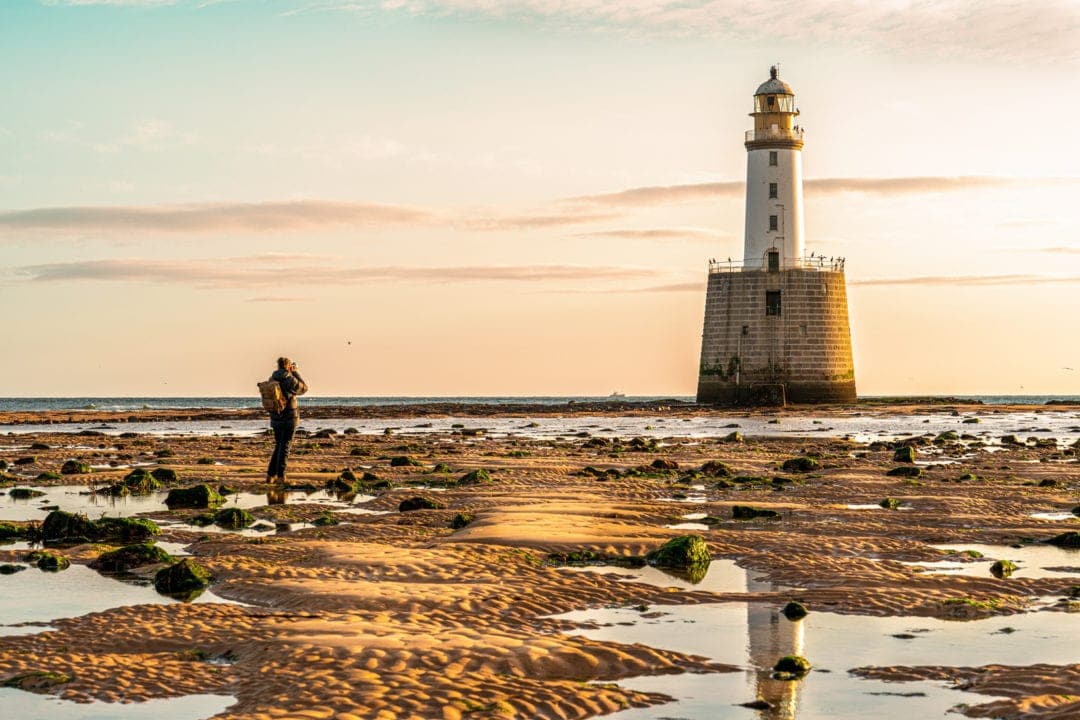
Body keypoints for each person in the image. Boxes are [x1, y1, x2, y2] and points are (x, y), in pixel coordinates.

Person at [266, 357, 308, 483]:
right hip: (289, 417)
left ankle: (270, 475)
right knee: (285, 446)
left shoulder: (272, 379)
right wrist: (295, 372)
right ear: (288, 366)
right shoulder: (289, 379)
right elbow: (304, 388)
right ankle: (281, 476)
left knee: (279, 445)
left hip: (275, 417)